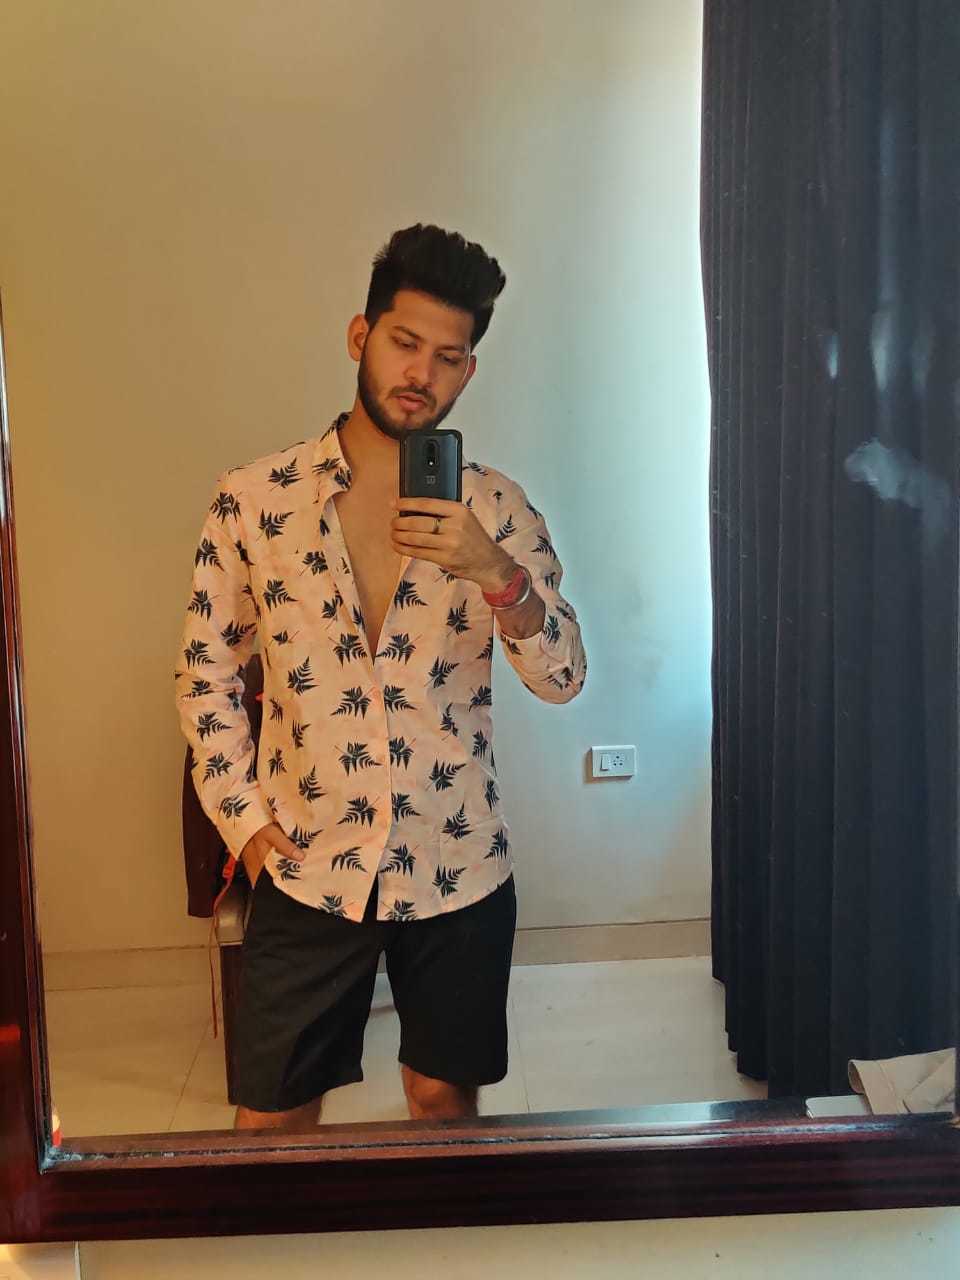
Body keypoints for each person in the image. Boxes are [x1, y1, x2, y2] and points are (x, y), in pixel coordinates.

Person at [174, 223, 586, 1131]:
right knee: (271, 1123)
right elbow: (206, 677)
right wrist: (246, 827)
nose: (421, 373)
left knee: (443, 1104)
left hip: (457, 861)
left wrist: (498, 575)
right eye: (405, 342)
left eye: (449, 356)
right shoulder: (256, 500)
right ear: (360, 336)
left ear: (468, 371)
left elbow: (563, 676)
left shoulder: (495, 508)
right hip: (306, 857)